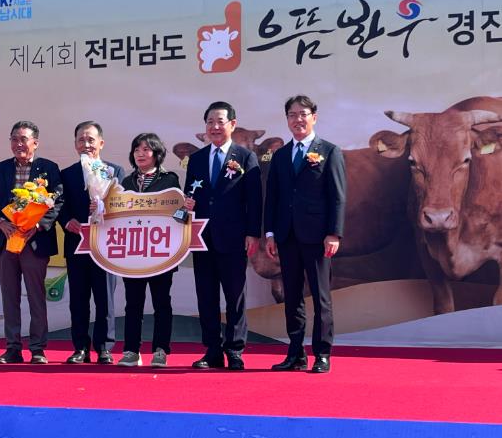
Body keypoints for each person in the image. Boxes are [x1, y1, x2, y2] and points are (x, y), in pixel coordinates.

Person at [264, 95, 346, 373]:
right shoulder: (280, 155)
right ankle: (296, 353)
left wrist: (334, 233)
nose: (297, 119)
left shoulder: (329, 151)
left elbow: (337, 196)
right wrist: (270, 233)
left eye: (303, 114)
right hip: (286, 236)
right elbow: (273, 197)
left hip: (317, 236)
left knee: (321, 297)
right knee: (292, 296)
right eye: (292, 115)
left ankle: (322, 353)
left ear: (314, 117)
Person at [183, 101, 262, 370]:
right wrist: (186, 207)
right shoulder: (196, 159)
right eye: (210, 122)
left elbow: (255, 199)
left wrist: (253, 233)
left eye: (220, 121)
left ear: (232, 124)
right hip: (202, 238)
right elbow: (190, 194)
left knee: (235, 296)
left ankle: (235, 350)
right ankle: (212, 350)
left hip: (234, 237)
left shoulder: (245, 157)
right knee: (206, 296)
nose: (215, 127)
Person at [0, 120, 62, 364]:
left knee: (36, 296)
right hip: (6, 241)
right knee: (10, 297)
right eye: (14, 139)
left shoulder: (48, 168)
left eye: (23, 139)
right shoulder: (0, 169)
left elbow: (57, 202)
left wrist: (37, 226)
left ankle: (38, 349)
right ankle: (13, 348)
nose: (18, 144)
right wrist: (0, 223)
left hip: (34, 242)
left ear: (35, 143)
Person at [58, 121, 124, 364]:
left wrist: (104, 209)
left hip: (106, 245)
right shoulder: (66, 174)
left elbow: (123, 205)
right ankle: (80, 348)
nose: (86, 144)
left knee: (105, 298)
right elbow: (59, 206)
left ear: (101, 143)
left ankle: (105, 347)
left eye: (91, 140)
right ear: (75, 144)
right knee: (78, 299)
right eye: (81, 140)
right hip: (77, 244)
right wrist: (67, 221)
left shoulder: (115, 171)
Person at [116, 133, 181, 368]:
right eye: (136, 150)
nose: (140, 154)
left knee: (162, 302)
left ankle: (161, 350)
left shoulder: (169, 180)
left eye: (146, 149)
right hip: (133, 254)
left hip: (161, 254)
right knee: (133, 303)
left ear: (156, 153)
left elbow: (180, 215)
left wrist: (185, 210)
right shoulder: (126, 183)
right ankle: (131, 351)